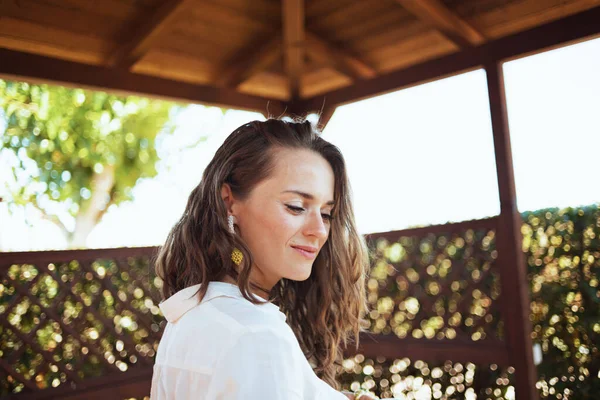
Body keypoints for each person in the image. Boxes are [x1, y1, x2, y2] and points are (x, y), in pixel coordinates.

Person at [150, 118, 379, 399]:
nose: (319, 230)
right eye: (296, 207)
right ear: (229, 202)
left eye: (326, 213)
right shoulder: (256, 334)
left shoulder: (192, 316)